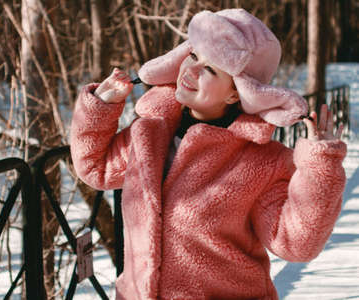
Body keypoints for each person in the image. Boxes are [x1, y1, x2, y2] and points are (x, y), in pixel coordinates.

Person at [70, 8, 346, 300]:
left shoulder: (263, 162)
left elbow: (295, 243)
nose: (190, 70)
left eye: (211, 69)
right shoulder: (150, 131)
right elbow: (95, 167)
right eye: (193, 56)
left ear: (236, 93)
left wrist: (321, 167)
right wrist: (100, 106)